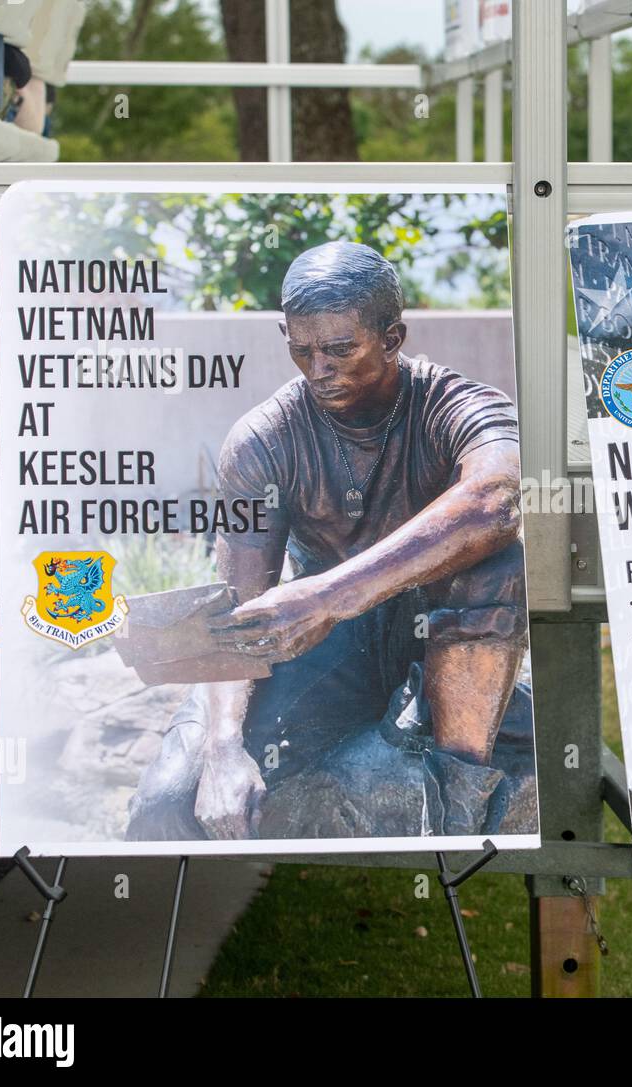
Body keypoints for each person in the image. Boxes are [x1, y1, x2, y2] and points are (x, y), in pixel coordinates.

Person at [127, 241, 532, 841]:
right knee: (168, 801)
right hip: (329, 645)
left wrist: (327, 596)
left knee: (499, 563)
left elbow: (496, 499)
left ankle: (457, 796)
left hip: (432, 628)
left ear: (393, 338)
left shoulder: (457, 404)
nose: (319, 368)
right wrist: (221, 749)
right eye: (301, 348)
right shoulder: (263, 439)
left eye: (341, 349)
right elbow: (237, 610)